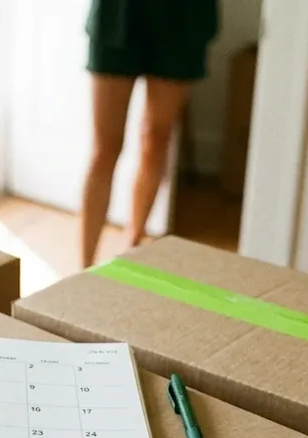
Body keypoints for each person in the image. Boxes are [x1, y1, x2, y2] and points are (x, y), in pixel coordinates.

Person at [80, 0, 219, 268]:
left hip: (183, 16)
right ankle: (82, 269)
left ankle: (132, 245)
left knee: (156, 140)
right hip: (118, 12)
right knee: (103, 149)